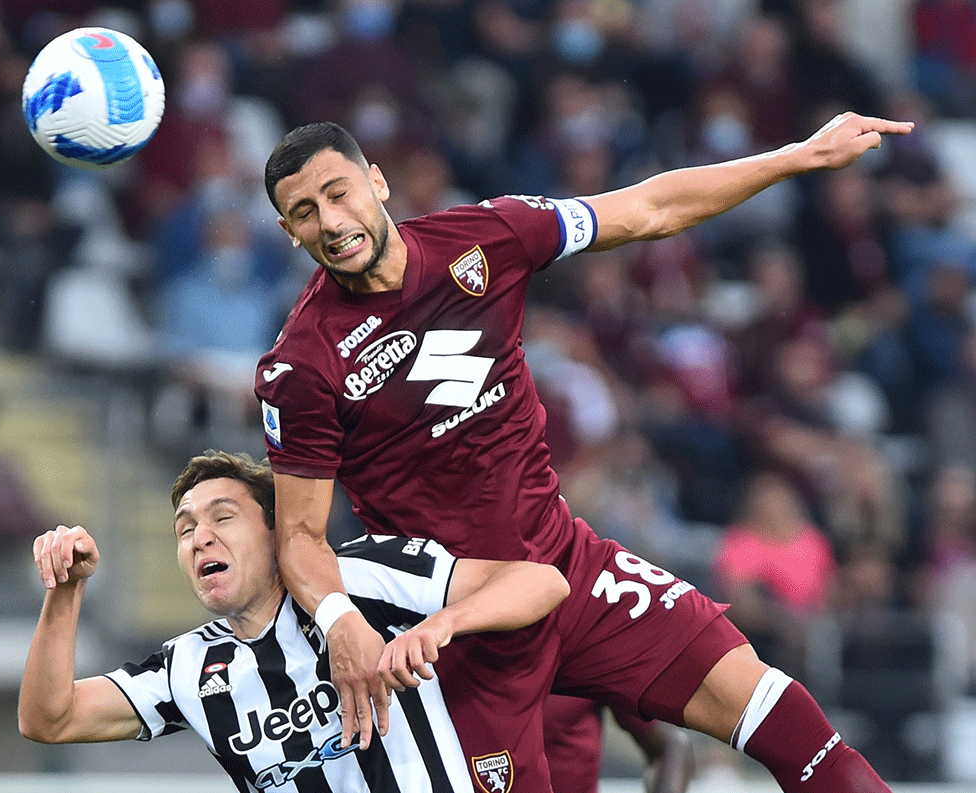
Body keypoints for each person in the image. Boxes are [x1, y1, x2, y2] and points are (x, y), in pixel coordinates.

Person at [253, 114, 913, 792]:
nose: (330, 220)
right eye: (304, 212)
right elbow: (299, 536)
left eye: (338, 192)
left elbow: (649, 208)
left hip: (569, 569)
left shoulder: (486, 238)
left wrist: (796, 156)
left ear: (378, 181)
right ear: (288, 231)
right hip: (453, 635)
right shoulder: (300, 366)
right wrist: (340, 623)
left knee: (787, 719)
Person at [19, 450, 573, 791]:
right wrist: (67, 592)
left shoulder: (361, 577)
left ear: (277, 531)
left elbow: (543, 582)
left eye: (224, 517)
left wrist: (437, 626)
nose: (200, 537)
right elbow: (49, 719)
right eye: (185, 530)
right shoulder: (185, 668)